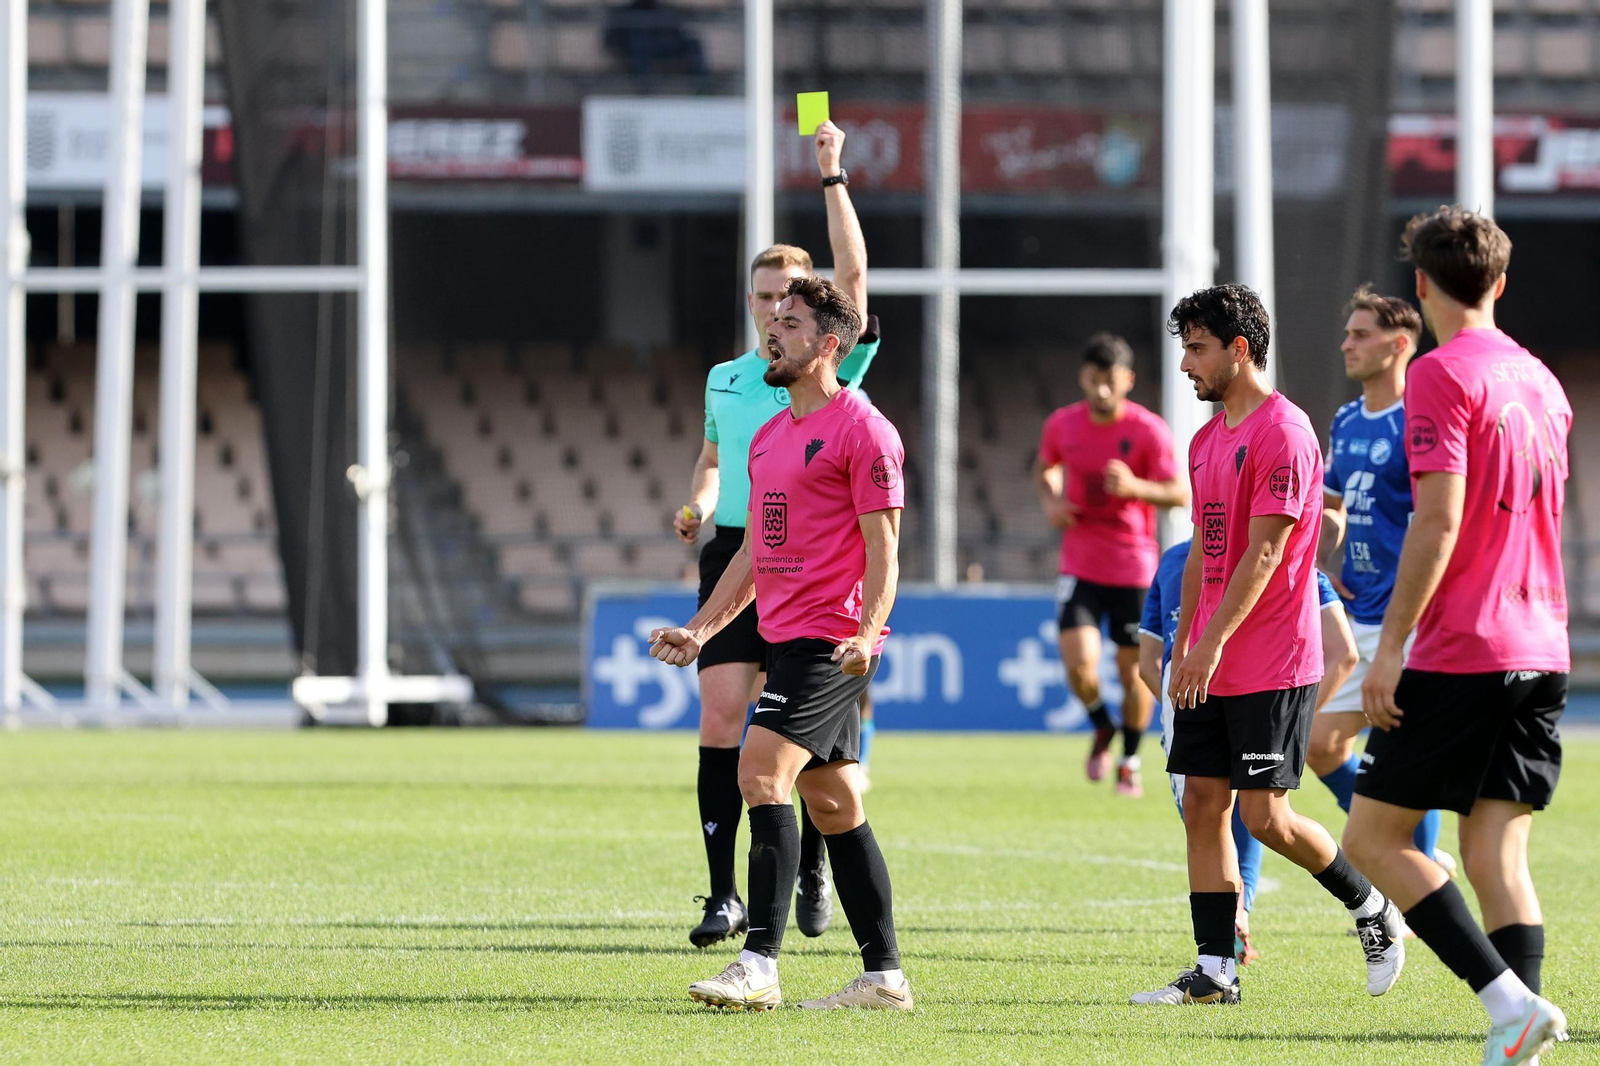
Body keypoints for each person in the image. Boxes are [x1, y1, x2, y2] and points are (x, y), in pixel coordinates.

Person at [1131, 283, 1405, 1008]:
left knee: (1266, 817)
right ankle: (1215, 970)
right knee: (1202, 808)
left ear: (1239, 349)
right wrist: (1189, 637)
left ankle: (1371, 908)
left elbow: (1263, 555)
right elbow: (1201, 555)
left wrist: (1209, 645)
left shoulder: (1285, 432)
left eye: (1197, 349)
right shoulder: (1204, 440)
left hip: (1271, 659)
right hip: (1208, 658)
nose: (1186, 365)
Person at [1343, 206, 1572, 1065]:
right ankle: (1522, 1033)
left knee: (1371, 839)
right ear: (1501, 284)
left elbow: (1438, 522)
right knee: (1494, 851)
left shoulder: (1441, 375)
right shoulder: (1542, 380)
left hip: (1465, 644)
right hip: (1541, 641)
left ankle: (1509, 1005)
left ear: (1421, 285)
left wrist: (1392, 646)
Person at [651, 276, 913, 1012]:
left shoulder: (865, 431)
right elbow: (755, 557)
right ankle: (884, 977)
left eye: (791, 321)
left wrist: (869, 634)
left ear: (830, 345)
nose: (774, 328)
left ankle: (758, 961)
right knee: (832, 804)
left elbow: (884, 550)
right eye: (772, 316)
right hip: (782, 629)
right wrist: (701, 629)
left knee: (761, 774)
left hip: (830, 641)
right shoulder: (768, 439)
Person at [672, 120, 879, 949]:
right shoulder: (732, 377)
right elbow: (711, 460)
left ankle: (817, 877)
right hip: (740, 550)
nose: (771, 313)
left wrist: (831, 176)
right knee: (723, 722)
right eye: (761, 299)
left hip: (821, 570)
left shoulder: (834, 367)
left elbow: (855, 277)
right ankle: (726, 898)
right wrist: (697, 500)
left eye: (786, 299)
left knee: (818, 770)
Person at [1140, 539, 1360, 967]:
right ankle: (1221, 954)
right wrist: (1183, 707)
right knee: (1213, 813)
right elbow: (1150, 657)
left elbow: (1344, 653)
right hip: (1192, 698)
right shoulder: (1176, 561)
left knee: (1256, 816)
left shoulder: (1281, 557)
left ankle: (1367, 902)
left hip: (1250, 692)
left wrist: (1292, 723)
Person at [1314, 287, 1454, 876]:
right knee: (1320, 745)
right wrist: (1324, 558)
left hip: (1409, 619)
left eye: (1360, 334)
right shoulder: (1347, 419)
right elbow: (1335, 500)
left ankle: (1415, 873)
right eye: (1347, 332)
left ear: (1399, 345)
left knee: (1402, 759)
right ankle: (1411, 858)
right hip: (1359, 612)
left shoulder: (1418, 420)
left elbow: (1439, 515)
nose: (1347, 343)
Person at [1035, 334, 1187, 797]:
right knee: (1079, 665)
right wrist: (1052, 501)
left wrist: (1136, 487)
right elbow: (1046, 469)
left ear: (1128, 380)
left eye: (1110, 381)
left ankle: (1130, 759)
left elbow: (1179, 494)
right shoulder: (1062, 424)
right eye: (1093, 379)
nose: (1101, 390)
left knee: (1134, 672)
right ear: (1083, 377)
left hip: (1133, 568)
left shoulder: (1148, 430)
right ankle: (1102, 725)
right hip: (1080, 562)